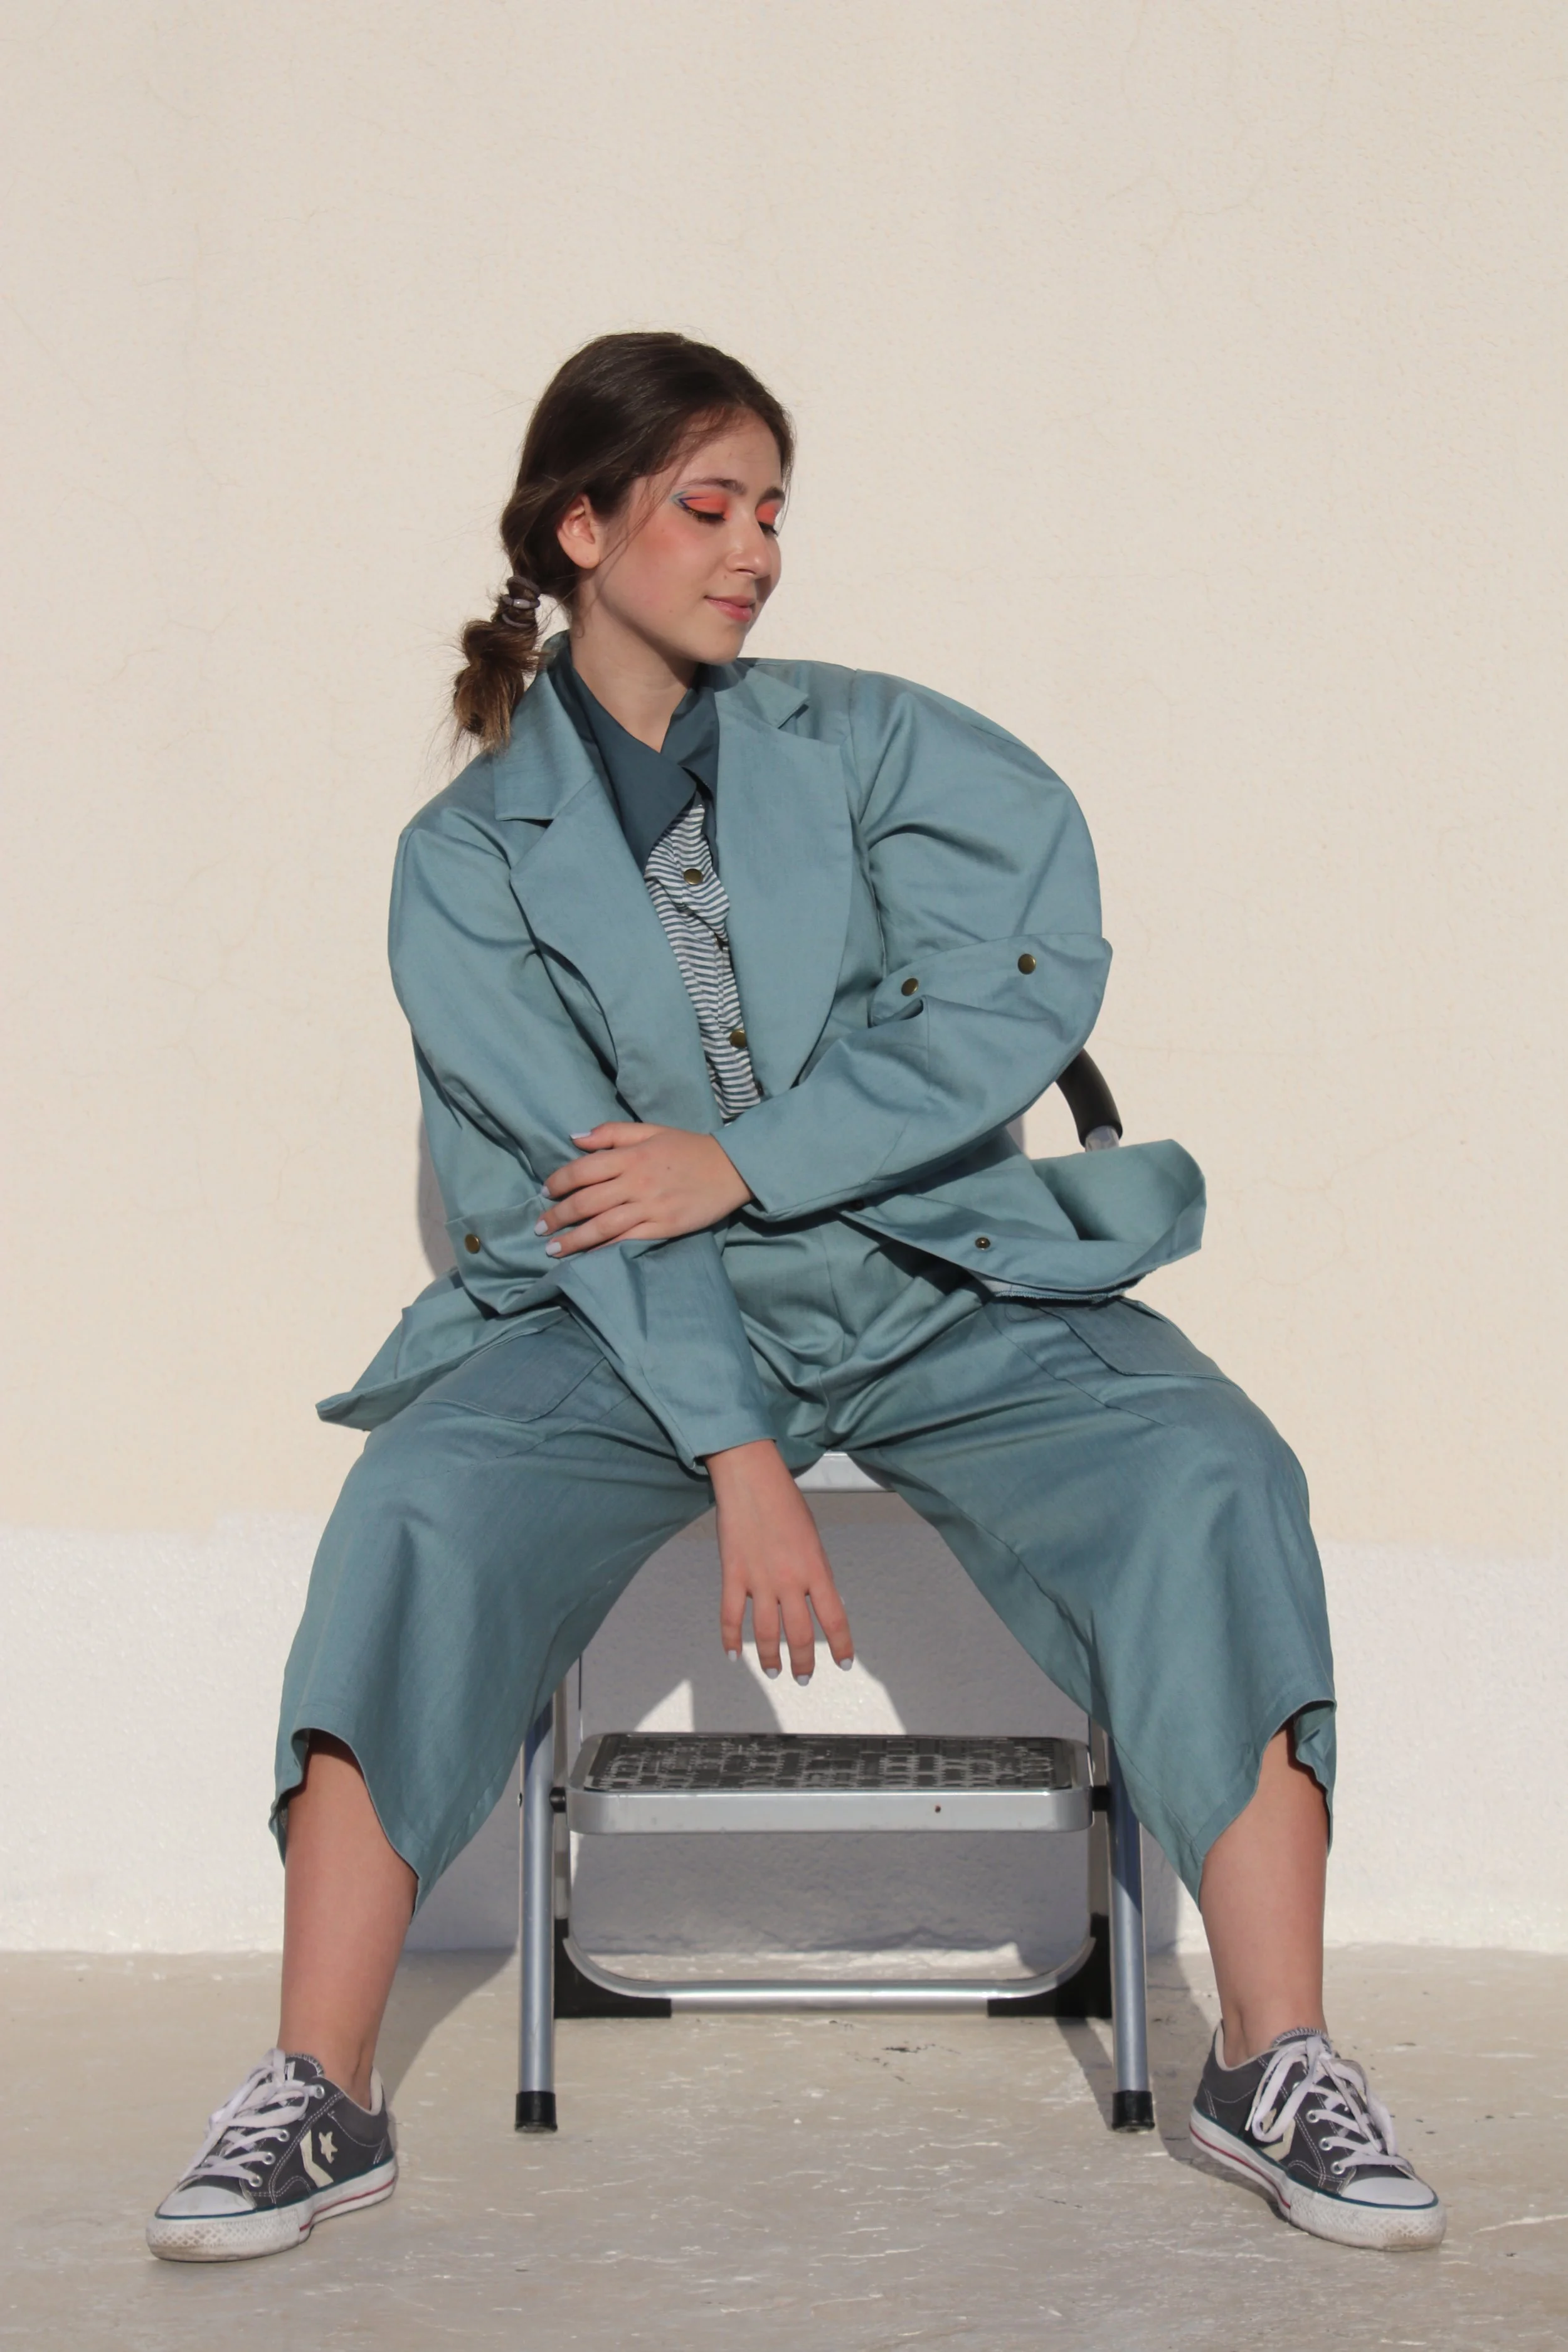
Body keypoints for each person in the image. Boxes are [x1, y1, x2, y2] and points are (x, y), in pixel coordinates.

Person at [147, 332, 1444, 2264]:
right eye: (706, 504)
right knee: (416, 1506)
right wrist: (738, 1447)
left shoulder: (869, 740)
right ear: (580, 528)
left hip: (928, 1265)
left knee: (1206, 1470)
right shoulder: (461, 860)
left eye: (770, 509)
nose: (753, 549)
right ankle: (313, 2089)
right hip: (625, 1315)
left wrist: (753, 1156)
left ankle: (1278, 2057)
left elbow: (1022, 968)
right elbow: (574, 1182)